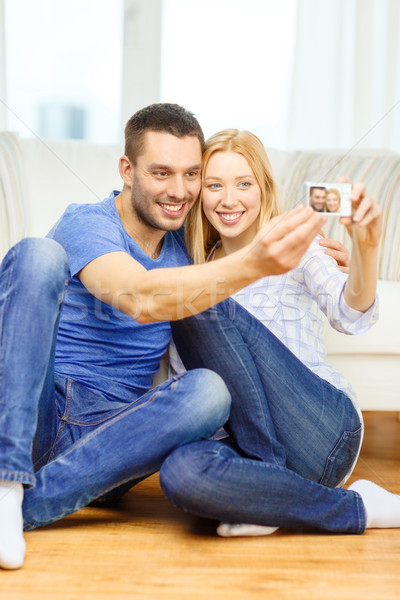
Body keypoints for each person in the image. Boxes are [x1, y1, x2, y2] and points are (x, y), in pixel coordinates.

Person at [0, 104, 327, 569]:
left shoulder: (191, 252)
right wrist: (256, 260)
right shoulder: (87, 223)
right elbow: (139, 296)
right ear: (127, 171)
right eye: (161, 173)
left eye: (192, 174)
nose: (179, 191)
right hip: (40, 411)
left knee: (209, 392)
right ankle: (8, 485)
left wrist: (314, 253)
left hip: (117, 441)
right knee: (37, 253)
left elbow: (240, 231)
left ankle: (18, 508)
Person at [160, 128, 400, 537]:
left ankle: (266, 474)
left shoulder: (298, 245)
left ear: (264, 188)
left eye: (243, 184)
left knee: (195, 296)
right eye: (215, 185)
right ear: (200, 195)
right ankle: (349, 507)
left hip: (318, 431)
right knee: (180, 474)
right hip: (238, 447)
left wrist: (366, 248)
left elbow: (351, 313)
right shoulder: (194, 265)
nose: (229, 199)